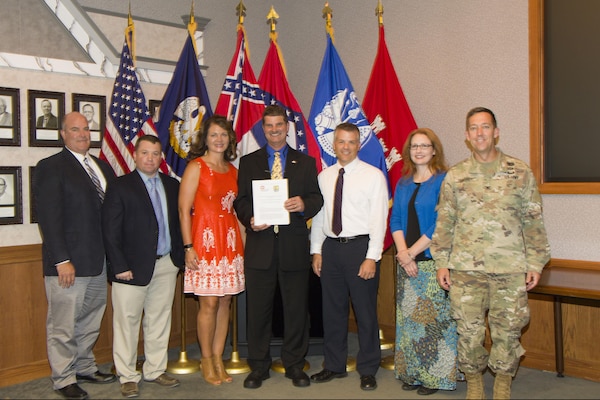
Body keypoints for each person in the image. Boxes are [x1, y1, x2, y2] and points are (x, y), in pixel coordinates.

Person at [431, 107, 551, 400]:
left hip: (510, 269)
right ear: (467, 136)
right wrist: (442, 262)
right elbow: (445, 220)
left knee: (507, 332)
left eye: (485, 127)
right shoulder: (456, 176)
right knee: (469, 332)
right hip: (465, 269)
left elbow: (532, 219)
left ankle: (502, 382)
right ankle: (474, 380)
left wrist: (536, 261)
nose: (480, 133)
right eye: (474, 128)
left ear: (496, 132)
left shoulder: (519, 172)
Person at [233, 105, 323, 389]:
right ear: (263, 128)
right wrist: (250, 218)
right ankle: (258, 366)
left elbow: (317, 198)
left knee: (296, 310)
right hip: (260, 247)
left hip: (293, 248)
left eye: (279, 125)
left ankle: (294, 364)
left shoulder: (305, 162)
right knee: (258, 310)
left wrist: (303, 205)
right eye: (269, 125)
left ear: (287, 128)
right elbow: (241, 200)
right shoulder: (248, 162)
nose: (274, 130)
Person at [33, 112, 116, 400]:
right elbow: (48, 217)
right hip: (68, 263)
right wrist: (60, 260)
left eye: (86, 129)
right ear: (63, 134)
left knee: (91, 318)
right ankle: (64, 378)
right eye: (75, 129)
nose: (82, 134)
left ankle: (84, 366)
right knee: (63, 324)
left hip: (99, 261)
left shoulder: (102, 167)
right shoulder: (50, 167)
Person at [102, 134, 184, 398]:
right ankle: (127, 375)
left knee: (160, 320)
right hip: (130, 269)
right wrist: (119, 266)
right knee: (127, 322)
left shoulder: (172, 185)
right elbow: (110, 231)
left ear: (161, 157)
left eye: (156, 153)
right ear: (135, 156)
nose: (150, 158)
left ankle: (155, 369)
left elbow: (178, 223)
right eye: (145, 153)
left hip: (165, 265)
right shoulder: (120, 186)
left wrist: (179, 258)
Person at [310, 122, 389, 391]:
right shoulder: (324, 176)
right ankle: (334, 365)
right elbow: (321, 215)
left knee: (365, 313)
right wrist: (317, 250)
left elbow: (379, 219)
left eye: (351, 142)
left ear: (358, 144)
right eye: (341, 142)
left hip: (360, 248)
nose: (345, 146)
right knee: (332, 311)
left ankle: (368, 368)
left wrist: (372, 257)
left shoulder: (373, 175)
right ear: (334, 144)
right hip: (331, 248)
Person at [178, 115, 245, 386]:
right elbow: (184, 210)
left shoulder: (233, 171)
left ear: (229, 139)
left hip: (229, 244)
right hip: (203, 242)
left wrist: (244, 245)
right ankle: (206, 359)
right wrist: (188, 247)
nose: (219, 139)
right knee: (209, 302)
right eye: (214, 134)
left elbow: (237, 212)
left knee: (226, 300)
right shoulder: (196, 167)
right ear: (205, 138)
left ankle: (219, 357)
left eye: (223, 135)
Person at [389, 128, 456, 396]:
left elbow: (440, 224)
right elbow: (395, 220)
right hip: (406, 262)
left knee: (434, 323)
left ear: (434, 150)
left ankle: (435, 377)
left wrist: (411, 254)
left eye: (424, 146)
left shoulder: (443, 180)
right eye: (414, 146)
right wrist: (403, 253)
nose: (418, 150)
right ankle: (413, 373)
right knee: (409, 323)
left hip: (431, 262)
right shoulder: (403, 182)